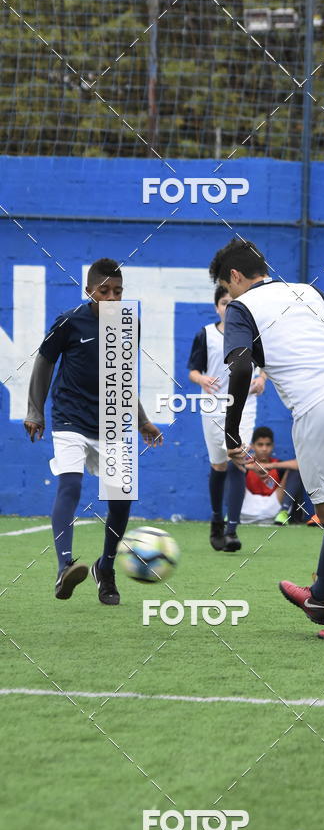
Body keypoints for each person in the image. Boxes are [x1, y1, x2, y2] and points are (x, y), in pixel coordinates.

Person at [209, 238, 324, 642]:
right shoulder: (306, 290)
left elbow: (240, 368)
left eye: (226, 286)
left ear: (235, 276)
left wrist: (232, 433)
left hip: (320, 406)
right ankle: (320, 596)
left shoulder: (241, 307)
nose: (228, 294)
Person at [23, 257, 162, 604]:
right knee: (70, 485)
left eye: (118, 291)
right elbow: (44, 362)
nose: (112, 298)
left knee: (122, 498)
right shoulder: (69, 322)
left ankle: (106, 567)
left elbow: (124, 377)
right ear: (89, 291)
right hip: (69, 417)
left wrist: (142, 420)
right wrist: (35, 411)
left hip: (111, 421)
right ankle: (64, 567)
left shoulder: (129, 324)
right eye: (104, 291)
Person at [187, 285, 266, 551]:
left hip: (245, 405)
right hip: (213, 406)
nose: (228, 307)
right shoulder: (206, 334)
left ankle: (232, 530)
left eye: (233, 303)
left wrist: (262, 379)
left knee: (239, 460)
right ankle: (216, 521)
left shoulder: (252, 334)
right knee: (219, 464)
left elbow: (266, 363)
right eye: (224, 303)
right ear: (216, 307)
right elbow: (193, 370)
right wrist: (201, 379)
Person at [241, 426, 305, 525]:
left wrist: (270, 466)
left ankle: (283, 512)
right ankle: (231, 512)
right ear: (252, 446)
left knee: (294, 470)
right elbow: (226, 464)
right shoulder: (246, 463)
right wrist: (253, 467)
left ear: (273, 446)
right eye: (260, 445)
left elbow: (300, 464)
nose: (264, 449)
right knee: (234, 470)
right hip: (247, 508)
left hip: (274, 507)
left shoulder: (277, 464)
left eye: (268, 445)